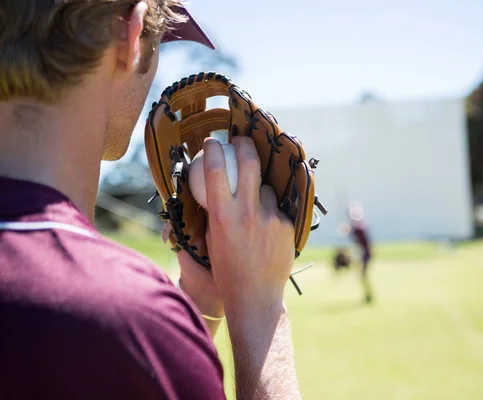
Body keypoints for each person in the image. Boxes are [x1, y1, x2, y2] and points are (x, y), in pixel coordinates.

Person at [0, 1, 300, 399]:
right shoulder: (124, 322)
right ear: (130, 34)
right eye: (160, 41)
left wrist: (199, 302)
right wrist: (262, 307)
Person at [344, 202, 374, 304]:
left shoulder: (359, 228)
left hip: (364, 254)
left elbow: (353, 233)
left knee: (363, 276)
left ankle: (368, 295)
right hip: (364, 253)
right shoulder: (360, 226)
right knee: (362, 276)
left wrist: (346, 231)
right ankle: (368, 295)